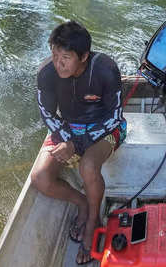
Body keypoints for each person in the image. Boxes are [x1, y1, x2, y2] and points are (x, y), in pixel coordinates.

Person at [30, 21, 127, 265]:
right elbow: (48, 115)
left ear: (84, 56)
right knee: (40, 178)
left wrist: (76, 143)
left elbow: (114, 117)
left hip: (107, 129)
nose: (57, 63)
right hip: (68, 128)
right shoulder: (46, 73)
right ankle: (82, 202)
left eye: (65, 57)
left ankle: (93, 220)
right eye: (54, 54)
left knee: (88, 167)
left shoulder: (105, 69)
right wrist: (66, 138)